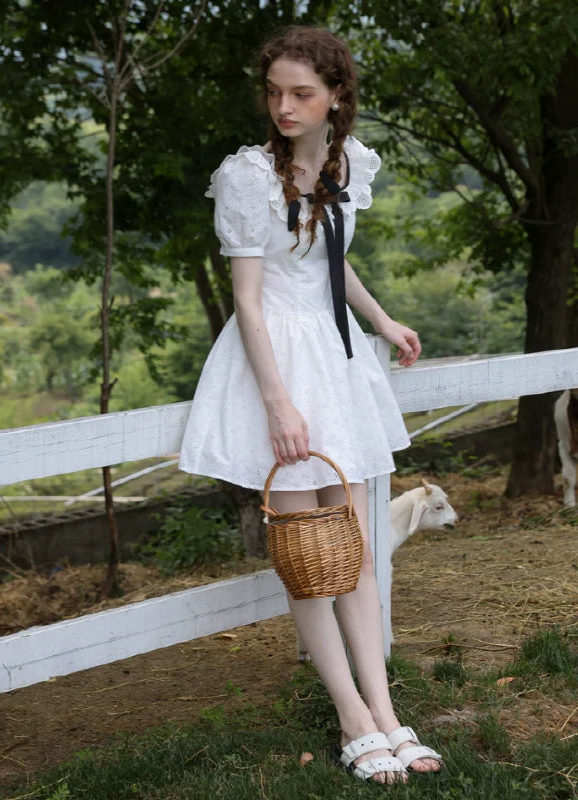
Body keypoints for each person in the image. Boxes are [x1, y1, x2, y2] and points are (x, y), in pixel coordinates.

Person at [179, 25, 443, 784]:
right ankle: (352, 715)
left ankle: (387, 710)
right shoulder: (247, 177)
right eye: (275, 93)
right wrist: (278, 405)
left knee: (353, 551)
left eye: (302, 93)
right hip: (278, 363)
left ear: (336, 96)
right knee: (306, 556)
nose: (285, 107)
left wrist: (381, 319)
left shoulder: (348, 163)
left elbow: (331, 258)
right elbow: (249, 300)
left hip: (334, 357)